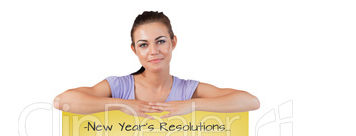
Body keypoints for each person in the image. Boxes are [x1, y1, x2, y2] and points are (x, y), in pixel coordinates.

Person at [53, 11, 260, 119]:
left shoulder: (188, 90)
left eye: (160, 41)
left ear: (173, 42)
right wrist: (122, 104)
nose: (153, 51)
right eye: (144, 44)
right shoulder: (118, 86)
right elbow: (62, 101)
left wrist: (191, 106)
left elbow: (250, 102)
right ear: (134, 49)